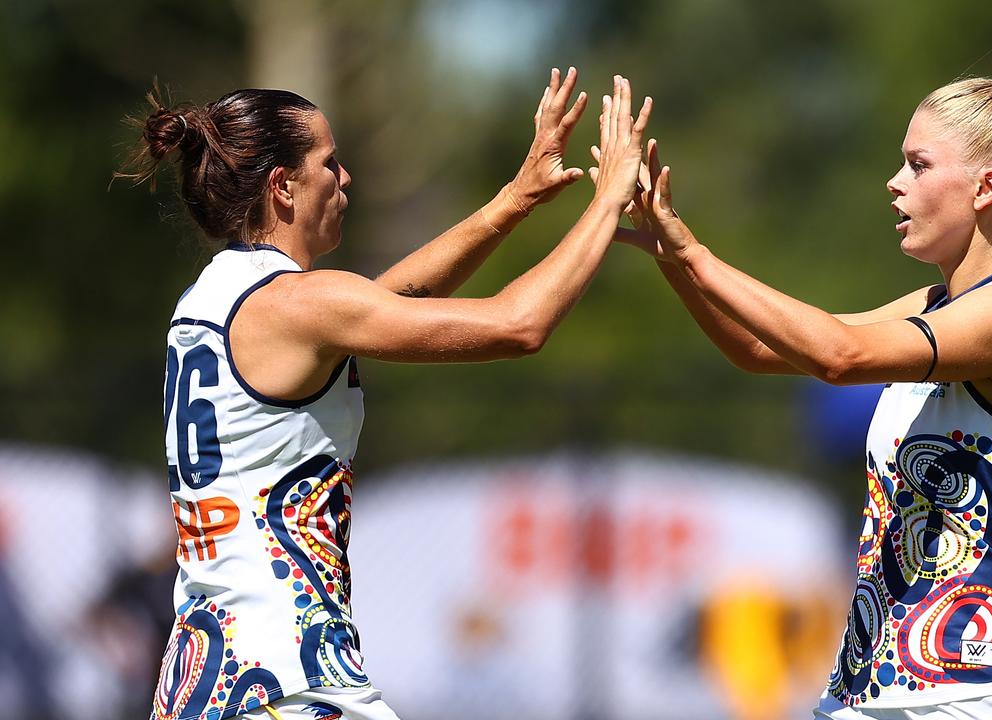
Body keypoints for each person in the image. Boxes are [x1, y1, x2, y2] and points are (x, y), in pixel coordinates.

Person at [606, 77, 992, 719]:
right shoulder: (935, 306)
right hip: (863, 693)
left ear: (985, 188)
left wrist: (695, 253)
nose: (896, 182)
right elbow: (757, 350)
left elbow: (841, 355)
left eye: (919, 166)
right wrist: (671, 252)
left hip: (970, 696)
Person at [119, 70, 651, 720]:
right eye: (329, 162)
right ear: (283, 186)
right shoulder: (297, 303)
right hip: (288, 683)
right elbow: (519, 325)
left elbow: (390, 304)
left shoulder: (209, 301)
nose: (345, 180)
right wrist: (606, 203)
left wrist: (515, 198)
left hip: (201, 686)